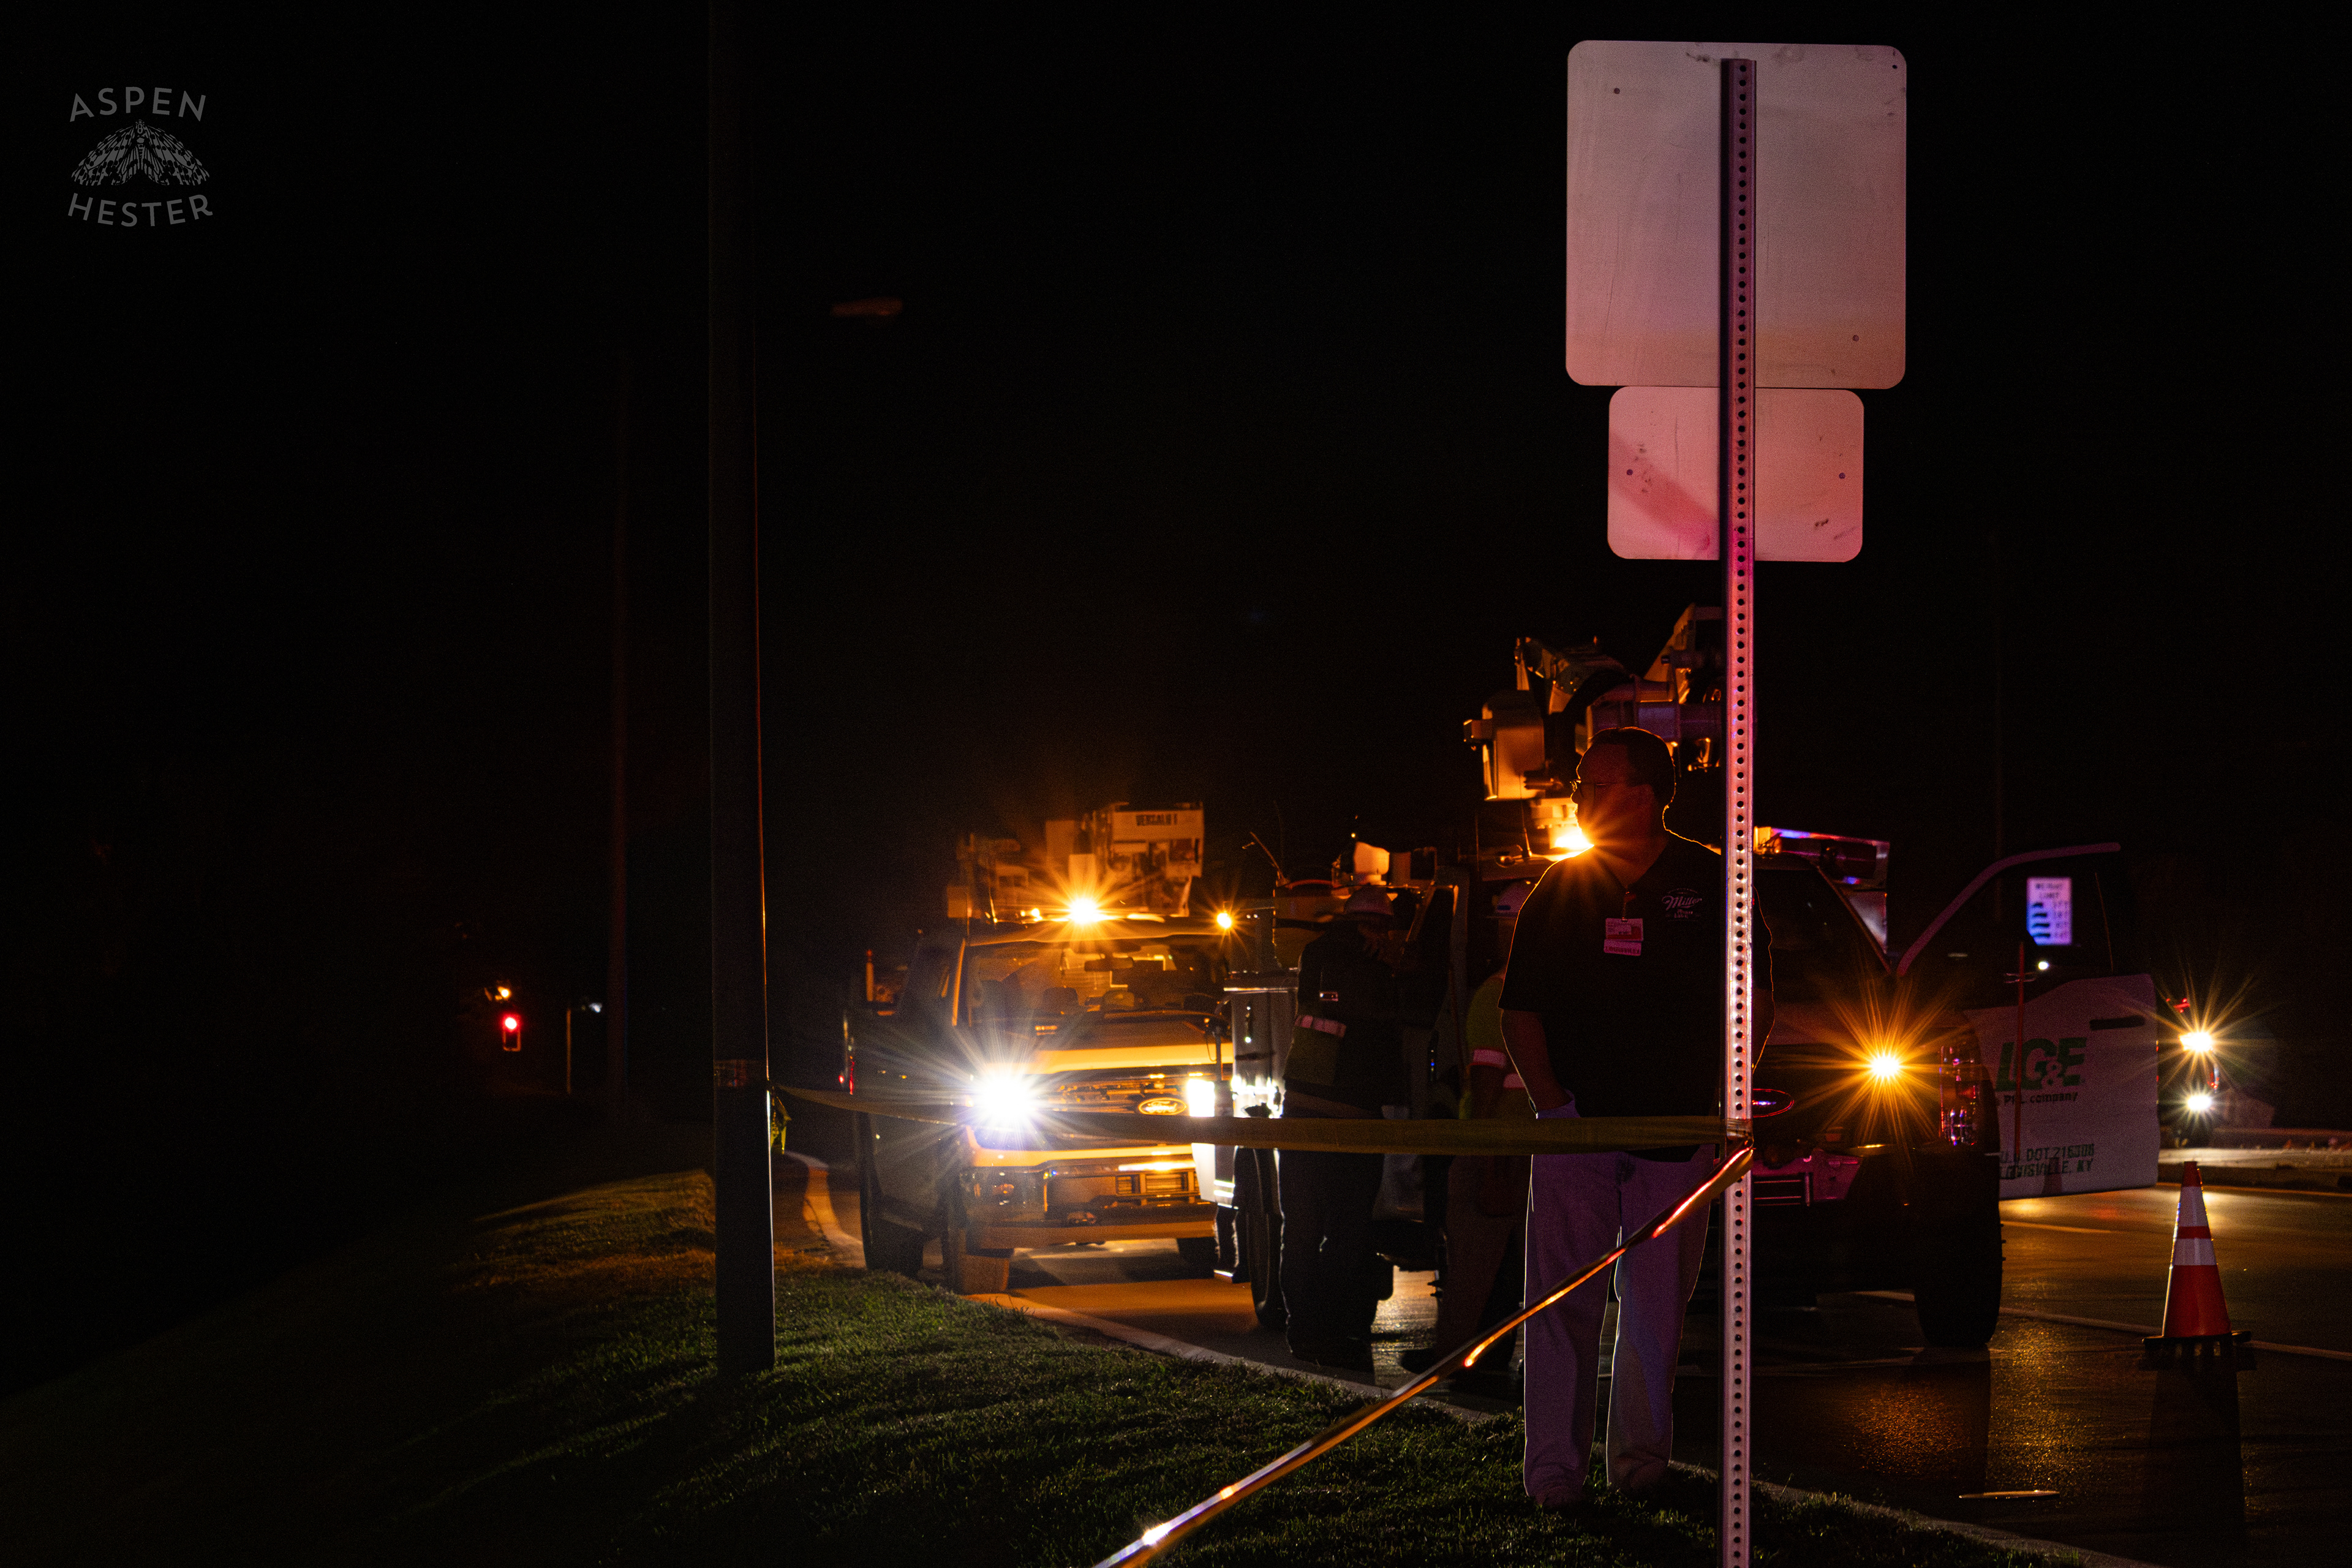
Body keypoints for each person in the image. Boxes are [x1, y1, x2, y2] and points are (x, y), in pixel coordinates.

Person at [1498, 727, 1773, 1510]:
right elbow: (1522, 1012)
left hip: (1676, 1137)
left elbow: (1753, 1001)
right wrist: (1557, 1106)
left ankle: (1642, 1470)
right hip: (1576, 1136)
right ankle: (1554, 1475)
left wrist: (1723, 1102)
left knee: (1655, 1311)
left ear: (1642, 793)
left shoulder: (1713, 882)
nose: (1576, 796)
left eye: (1590, 783)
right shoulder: (1561, 888)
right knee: (1559, 1306)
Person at [1278, 884, 1411, 1370]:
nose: (1381, 936)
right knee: (1338, 1232)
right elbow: (1368, 1011)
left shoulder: (1322, 954)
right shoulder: (1358, 962)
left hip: (1311, 1114)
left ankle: (1313, 1332)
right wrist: (1393, 967)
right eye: (1379, 928)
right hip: (1338, 1117)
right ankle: (1322, 1331)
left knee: (1313, 1231)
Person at [1400, 964, 1531, 1396]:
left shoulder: (1492, 995)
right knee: (1540, 1267)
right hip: (1548, 1145)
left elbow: (1488, 1076)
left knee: (1470, 1264)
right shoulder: (1564, 990)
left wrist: (1482, 1154)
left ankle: (1453, 1358)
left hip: (1496, 1147)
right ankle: (1522, 1359)